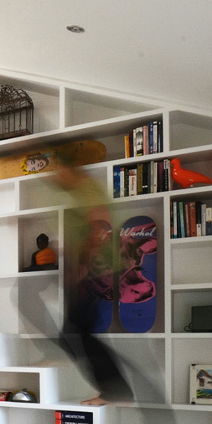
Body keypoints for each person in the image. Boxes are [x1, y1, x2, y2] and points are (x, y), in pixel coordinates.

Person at [53, 155, 132, 405]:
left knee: (75, 334)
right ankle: (114, 388)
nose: (55, 177)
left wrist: (84, 263)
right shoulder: (80, 194)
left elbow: (100, 224)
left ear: (69, 170)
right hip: (92, 273)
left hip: (95, 273)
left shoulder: (86, 191)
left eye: (58, 171)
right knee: (74, 334)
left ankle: (115, 389)